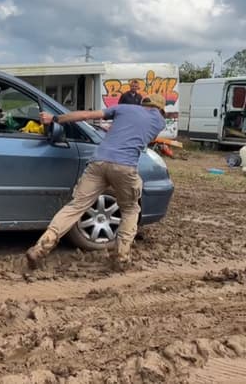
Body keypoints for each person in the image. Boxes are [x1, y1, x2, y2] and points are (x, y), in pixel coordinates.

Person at [25, 94, 167, 272]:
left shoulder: (124, 108)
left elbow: (85, 116)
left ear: (142, 104)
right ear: (161, 109)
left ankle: (40, 248)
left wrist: (54, 118)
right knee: (130, 209)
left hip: (98, 162)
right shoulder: (160, 122)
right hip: (125, 167)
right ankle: (121, 258)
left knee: (76, 206)